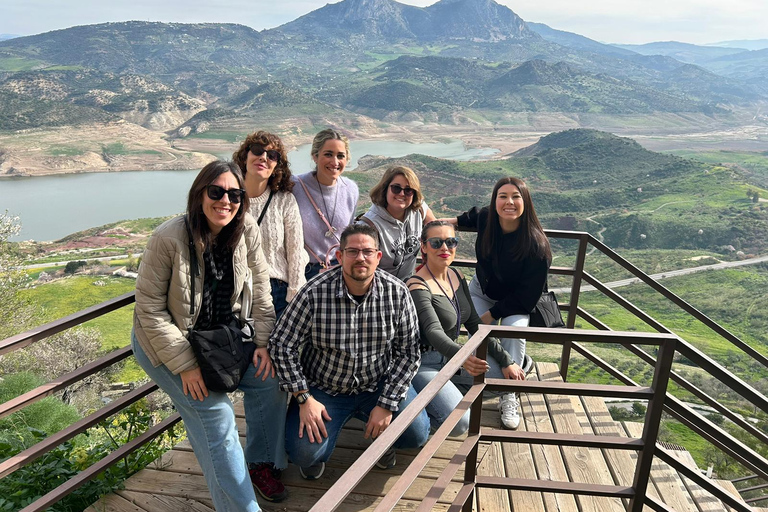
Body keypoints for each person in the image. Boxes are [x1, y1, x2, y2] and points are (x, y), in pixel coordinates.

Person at [131, 161, 289, 509]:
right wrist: (186, 366)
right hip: (167, 344)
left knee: (269, 380)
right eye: (216, 192)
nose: (225, 201)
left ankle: (259, 465)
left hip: (220, 338)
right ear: (199, 195)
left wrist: (263, 344)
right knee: (216, 416)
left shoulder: (245, 228)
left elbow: (261, 290)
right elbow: (150, 312)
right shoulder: (167, 238)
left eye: (234, 194)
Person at [268, 224, 430, 480]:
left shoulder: (397, 293)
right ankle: (322, 451)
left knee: (417, 434)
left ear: (378, 257)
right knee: (303, 453)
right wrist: (303, 398)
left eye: (367, 252)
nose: (361, 258)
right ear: (340, 256)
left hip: (378, 383)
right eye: (352, 252)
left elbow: (409, 352)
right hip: (325, 390)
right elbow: (281, 344)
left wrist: (387, 404)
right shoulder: (314, 292)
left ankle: (383, 442)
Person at [445, 177, 551, 430]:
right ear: (495, 201)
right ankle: (512, 366)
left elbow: (527, 296)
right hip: (482, 290)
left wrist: (492, 314)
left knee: (512, 332)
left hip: (515, 302)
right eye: (502, 196)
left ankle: (508, 392)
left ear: (526, 202)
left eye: (516, 196)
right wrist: (437, 224)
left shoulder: (537, 246)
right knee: (475, 338)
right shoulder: (486, 219)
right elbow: (461, 220)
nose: (509, 202)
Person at [407, 221, 518, 435]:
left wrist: (506, 360)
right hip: (425, 364)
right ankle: (416, 416)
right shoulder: (417, 285)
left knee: (509, 378)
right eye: (436, 242)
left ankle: (446, 393)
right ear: (424, 246)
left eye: (451, 242)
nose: (444, 248)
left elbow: (475, 324)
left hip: (452, 359)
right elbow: (433, 331)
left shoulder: (456, 276)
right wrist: (464, 358)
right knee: (460, 424)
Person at [233, 130, 308, 319]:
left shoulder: (284, 201)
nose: (263, 158)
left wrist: (295, 296)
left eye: (272, 155)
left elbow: (295, 251)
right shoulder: (229, 198)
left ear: (277, 166)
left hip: (277, 291)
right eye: (257, 150)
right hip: (235, 290)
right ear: (245, 156)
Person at [291, 128, 359, 280]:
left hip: (340, 269)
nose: (335, 162)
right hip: (305, 271)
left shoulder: (351, 189)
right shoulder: (295, 186)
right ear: (315, 156)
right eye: (328, 154)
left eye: (340, 156)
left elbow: (348, 233)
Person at [358, 166, 436, 280]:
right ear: (385, 189)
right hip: (381, 289)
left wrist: (460, 220)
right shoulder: (369, 226)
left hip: (408, 284)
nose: (401, 194)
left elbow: (436, 228)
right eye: (396, 188)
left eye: (408, 190)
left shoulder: (419, 209)